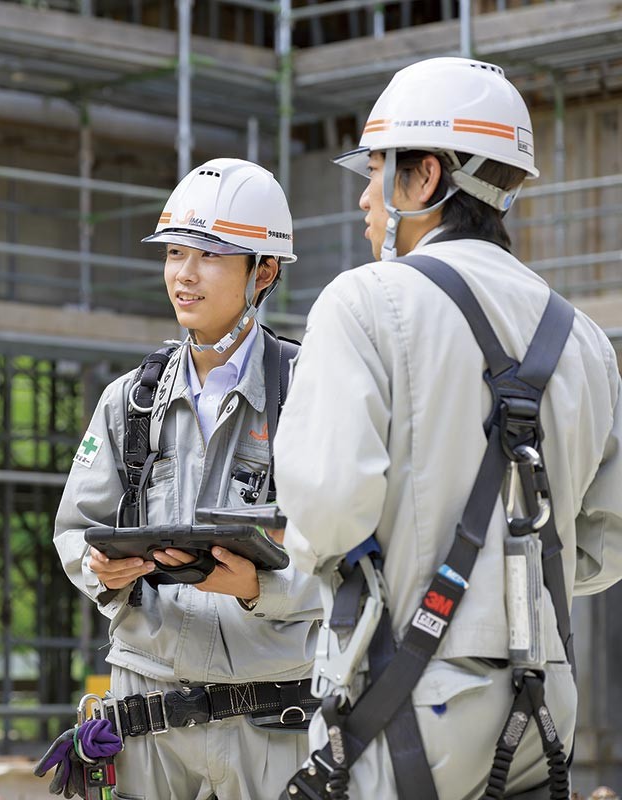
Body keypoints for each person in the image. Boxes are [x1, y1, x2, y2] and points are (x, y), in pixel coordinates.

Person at [274, 57, 622, 799]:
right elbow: (606, 544)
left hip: (405, 700)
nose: (366, 199)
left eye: (375, 173)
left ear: (426, 177)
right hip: (544, 704)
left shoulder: (364, 303)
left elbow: (330, 512)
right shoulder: (586, 339)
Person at [53, 158, 322, 800]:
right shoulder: (130, 401)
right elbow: (75, 530)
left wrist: (263, 586)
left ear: (264, 270)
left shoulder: (312, 393)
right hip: (147, 709)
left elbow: (356, 548)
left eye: (208, 256)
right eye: (175, 253)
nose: (184, 274)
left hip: (272, 715)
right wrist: (103, 571)